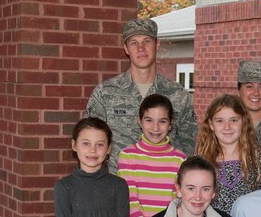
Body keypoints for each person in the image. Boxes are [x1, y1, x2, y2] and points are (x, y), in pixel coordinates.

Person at [84, 17, 197, 172]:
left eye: (146, 41)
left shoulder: (179, 95)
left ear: (157, 45)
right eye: (134, 43)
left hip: (163, 188)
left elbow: (188, 149)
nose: (141, 48)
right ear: (125, 48)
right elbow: (90, 143)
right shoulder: (105, 93)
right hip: (118, 187)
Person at [196, 94, 261, 213]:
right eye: (220, 121)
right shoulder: (201, 159)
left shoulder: (259, 158)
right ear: (211, 124)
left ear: (243, 122)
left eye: (234, 120)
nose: (227, 127)